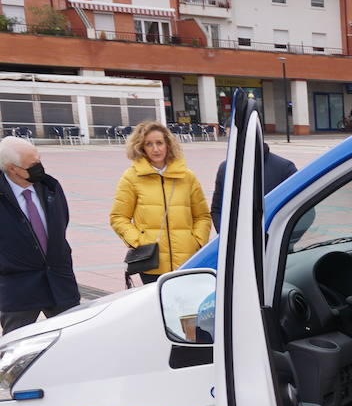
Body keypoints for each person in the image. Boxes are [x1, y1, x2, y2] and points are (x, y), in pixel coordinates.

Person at [109, 121, 212, 285]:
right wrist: (139, 241)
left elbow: (202, 216)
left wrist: (197, 242)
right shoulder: (131, 177)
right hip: (151, 262)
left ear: (168, 144)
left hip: (186, 261)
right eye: (149, 144)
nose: (155, 149)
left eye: (159, 143)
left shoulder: (187, 177)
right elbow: (118, 217)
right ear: (141, 147)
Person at [0, 136, 79, 334]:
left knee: (73, 337)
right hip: (18, 287)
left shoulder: (51, 187)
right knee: (18, 344)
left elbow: (61, 224)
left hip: (59, 281)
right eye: (32, 165)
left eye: (39, 160)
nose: (39, 167)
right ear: (12, 169)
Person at [210, 142, 297, 230]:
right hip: (236, 236)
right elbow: (217, 209)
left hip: (273, 235)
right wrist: (226, 234)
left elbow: (296, 209)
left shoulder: (284, 168)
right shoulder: (226, 168)